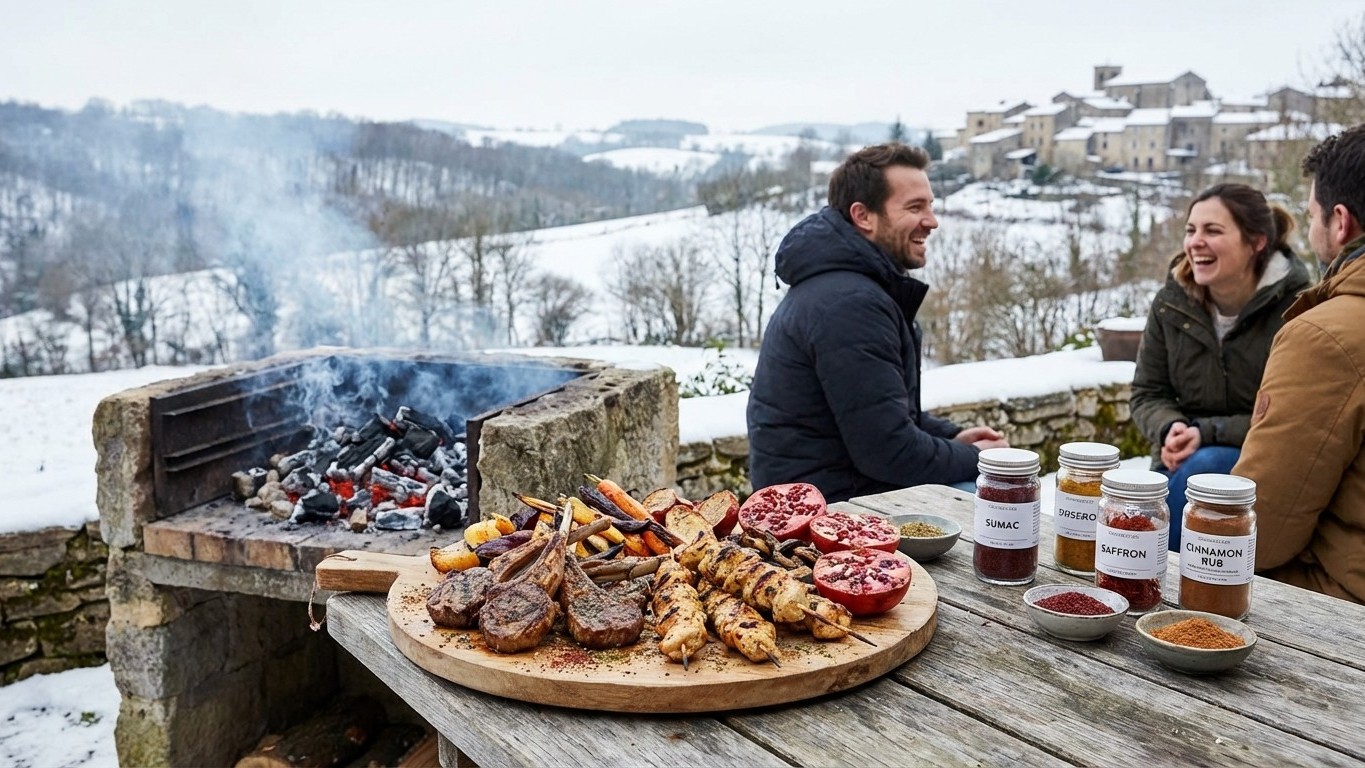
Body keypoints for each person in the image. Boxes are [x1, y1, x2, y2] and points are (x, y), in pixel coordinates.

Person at [746, 142, 1007, 504]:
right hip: (827, 511)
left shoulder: (846, 289)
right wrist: (981, 459)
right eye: (915, 207)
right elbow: (888, 452)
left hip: (831, 493)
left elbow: (874, 411)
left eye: (931, 206)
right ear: (863, 216)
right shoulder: (849, 305)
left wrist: (952, 439)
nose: (931, 221)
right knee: (999, 502)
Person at [1130, 183, 1311, 551]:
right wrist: (1171, 428)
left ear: (1256, 242)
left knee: (1205, 468)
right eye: (1191, 230)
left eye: (1212, 231)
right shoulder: (1170, 304)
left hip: (1261, 462)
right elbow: (1147, 393)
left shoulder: (1297, 310)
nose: (1196, 242)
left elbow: (1293, 416)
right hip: (1178, 460)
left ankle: (1168, 586)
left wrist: (1206, 432)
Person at [1233, 124, 1365, 604]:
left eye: (1313, 215)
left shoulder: (1327, 336)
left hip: (1337, 607)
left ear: (1341, 222)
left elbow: (1257, 534)